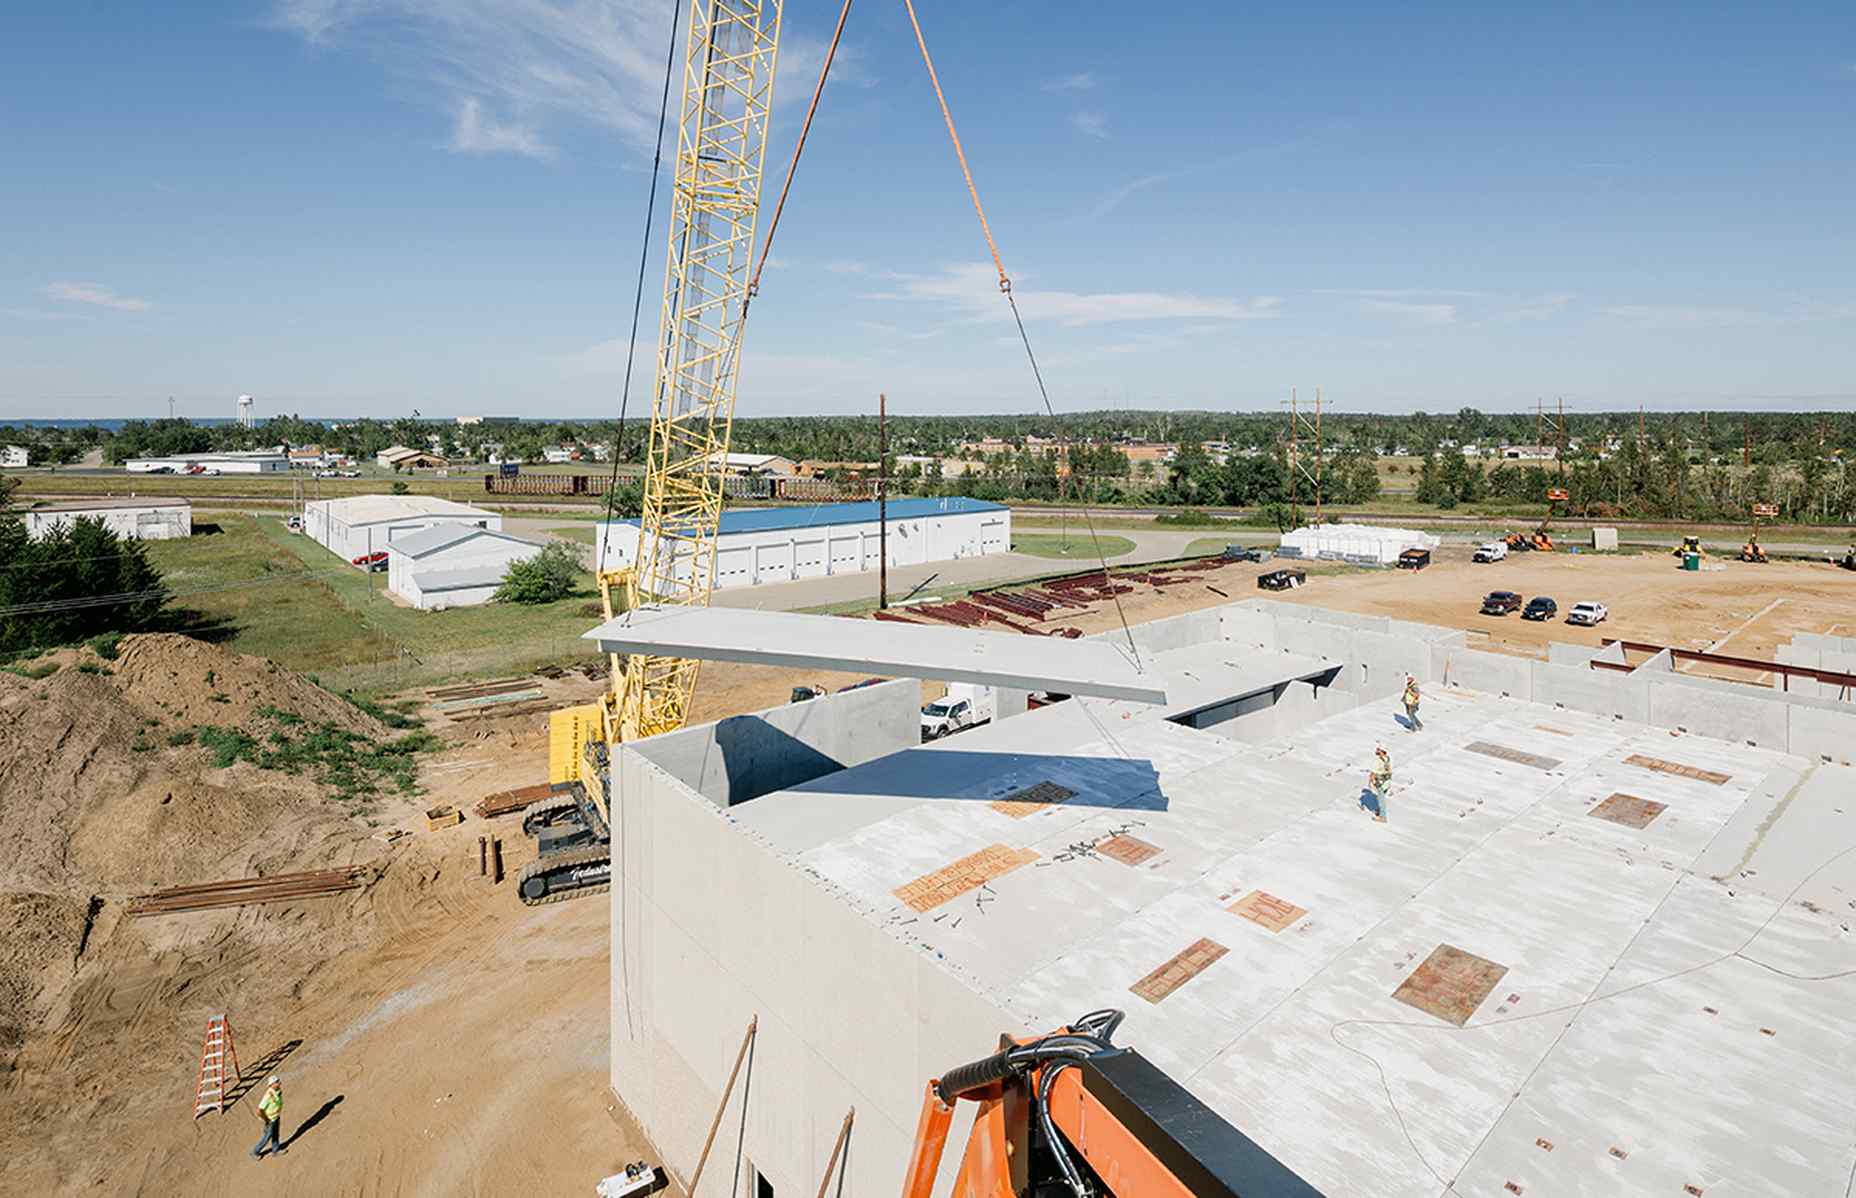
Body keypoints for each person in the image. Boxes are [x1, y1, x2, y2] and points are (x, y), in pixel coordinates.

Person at [251, 1076, 285, 1160]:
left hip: (276, 1117)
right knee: (266, 1137)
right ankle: (255, 1152)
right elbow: (259, 1110)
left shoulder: (277, 1091)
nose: (279, 1083)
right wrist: (266, 1119)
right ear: (272, 1084)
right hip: (270, 1120)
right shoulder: (268, 1095)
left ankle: (275, 1150)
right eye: (277, 1082)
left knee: (276, 1134)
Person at [1366, 745, 1392, 823]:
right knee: (1380, 797)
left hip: (1380, 782)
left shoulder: (1378, 760)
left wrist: (1371, 780)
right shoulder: (1387, 759)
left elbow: (1374, 772)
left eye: (1379, 750)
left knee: (1381, 799)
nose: (1377, 751)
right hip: (1387, 782)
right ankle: (1380, 811)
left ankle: (1382, 816)